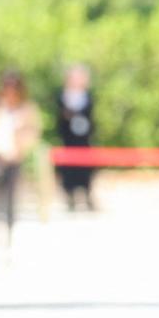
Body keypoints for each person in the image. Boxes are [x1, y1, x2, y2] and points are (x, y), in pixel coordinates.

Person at [0, 69, 42, 246]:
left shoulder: (27, 109)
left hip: (15, 158)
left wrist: (20, 145)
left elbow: (33, 133)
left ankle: (8, 238)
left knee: (10, 201)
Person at [57, 62, 96, 210]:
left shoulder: (88, 95)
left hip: (84, 139)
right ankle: (70, 195)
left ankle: (86, 195)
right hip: (68, 139)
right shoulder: (62, 95)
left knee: (85, 169)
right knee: (69, 169)